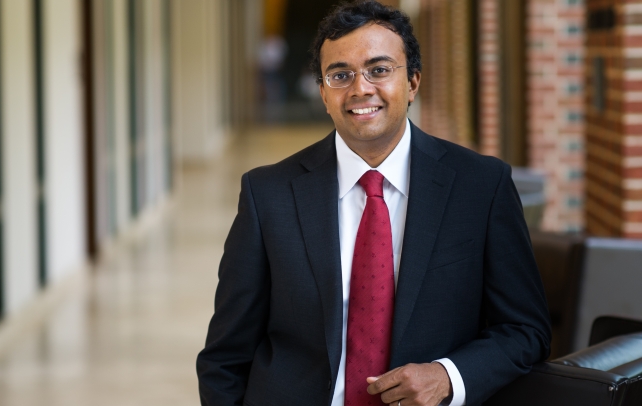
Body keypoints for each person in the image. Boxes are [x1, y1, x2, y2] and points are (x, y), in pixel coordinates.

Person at [196, 1, 551, 405]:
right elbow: (225, 357)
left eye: (379, 70)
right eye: (340, 75)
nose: (361, 88)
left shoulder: (481, 187)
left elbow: (527, 331)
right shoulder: (268, 194)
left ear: (413, 82)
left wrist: (447, 376)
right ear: (324, 95)